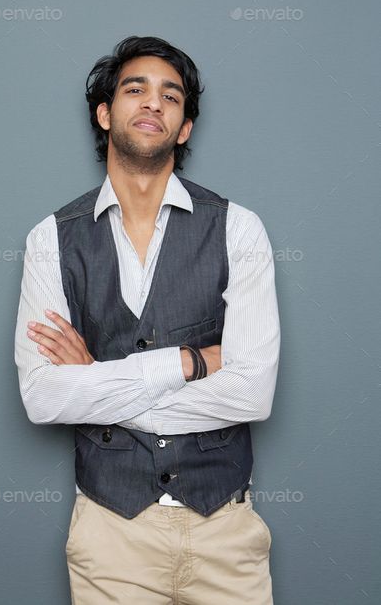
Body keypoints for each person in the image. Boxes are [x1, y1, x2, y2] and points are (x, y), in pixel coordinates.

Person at [14, 35, 280, 604]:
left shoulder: (239, 229)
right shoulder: (50, 240)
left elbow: (253, 393)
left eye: (171, 96)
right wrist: (189, 362)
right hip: (110, 535)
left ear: (184, 128)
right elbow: (43, 398)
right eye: (136, 89)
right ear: (106, 114)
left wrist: (97, 380)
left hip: (227, 532)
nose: (153, 103)